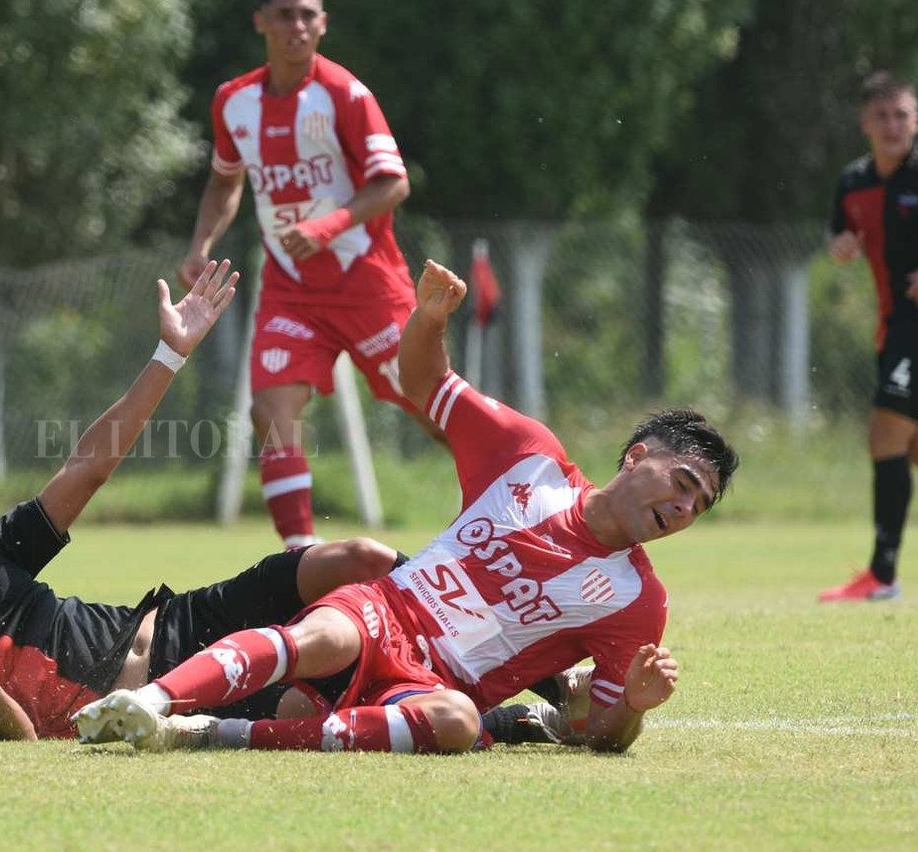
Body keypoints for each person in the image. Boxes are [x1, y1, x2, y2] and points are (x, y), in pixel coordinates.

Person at [74, 261, 739, 755]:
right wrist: (428, 319)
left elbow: (595, 733)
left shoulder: (636, 601)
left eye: (697, 505)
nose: (682, 506)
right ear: (636, 454)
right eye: (681, 481)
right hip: (385, 609)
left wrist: (631, 707)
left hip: (433, 682)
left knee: (453, 723)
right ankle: (146, 700)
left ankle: (211, 734)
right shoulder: (528, 457)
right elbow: (423, 381)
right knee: (319, 640)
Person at [0, 259, 408, 741]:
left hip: (179, 620)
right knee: (322, 706)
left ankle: (467, 602)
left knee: (358, 560)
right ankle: (491, 720)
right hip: (158, 702)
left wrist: (169, 355)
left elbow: (86, 471)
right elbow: (21, 738)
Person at [180, 0, 439, 550]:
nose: (297, 26)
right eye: (284, 15)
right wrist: (200, 247)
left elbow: (392, 184)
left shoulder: (346, 94)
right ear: (261, 24)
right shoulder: (233, 102)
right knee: (271, 410)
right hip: (290, 288)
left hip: (366, 281)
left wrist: (327, 225)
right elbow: (225, 185)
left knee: (432, 405)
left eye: (307, 16)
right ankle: (299, 558)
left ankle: (517, 496)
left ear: (322, 24)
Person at [819, 72, 918, 602]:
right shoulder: (854, 181)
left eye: (902, 115)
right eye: (882, 116)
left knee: (885, 434)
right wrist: (839, 247)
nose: (892, 125)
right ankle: (882, 575)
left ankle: (882, 575)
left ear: (916, 120)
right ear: (865, 124)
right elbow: (836, 233)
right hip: (893, 328)